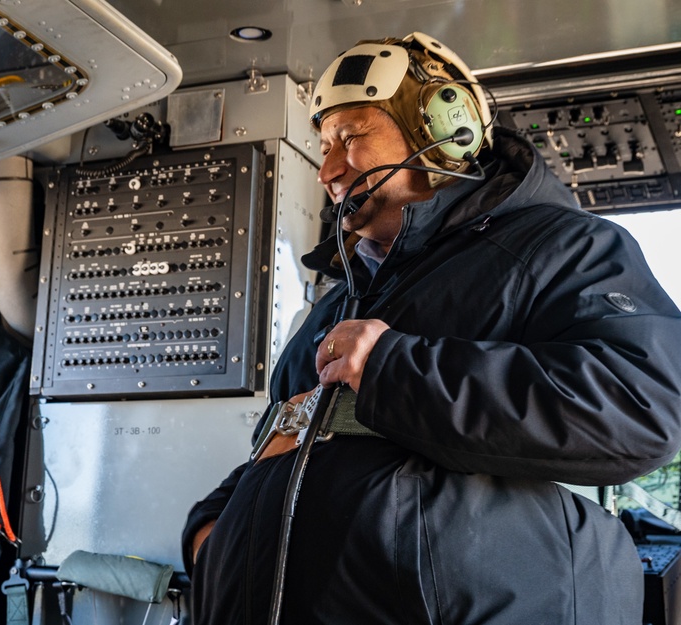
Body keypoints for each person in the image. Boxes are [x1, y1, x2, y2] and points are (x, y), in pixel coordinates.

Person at [181, 32, 681, 624]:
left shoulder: (562, 246)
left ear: (445, 131)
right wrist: (213, 530)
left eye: (351, 137)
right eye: (322, 147)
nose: (329, 169)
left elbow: (642, 404)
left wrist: (393, 368)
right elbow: (289, 444)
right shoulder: (335, 303)